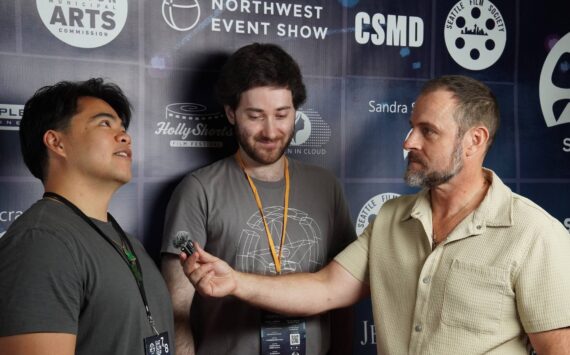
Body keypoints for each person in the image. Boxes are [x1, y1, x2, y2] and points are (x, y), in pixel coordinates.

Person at [182, 75, 570, 354]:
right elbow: (325, 288)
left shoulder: (534, 233)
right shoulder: (390, 218)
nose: (408, 142)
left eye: (427, 131)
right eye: (410, 127)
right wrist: (234, 282)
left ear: (475, 140)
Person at [160, 43, 356, 355]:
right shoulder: (198, 189)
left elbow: (344, 296)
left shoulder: (325, 186)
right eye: (255, 115)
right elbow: (176, 308)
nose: (270, 131)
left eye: (282, 114)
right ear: (230, 113)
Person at [0, 78, 175, 355]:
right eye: (105, 124)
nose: (124, 136)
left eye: (123, 128)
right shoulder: (40, 242)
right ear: (56, 142)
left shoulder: (128, 242)